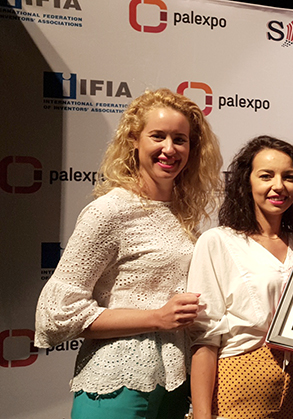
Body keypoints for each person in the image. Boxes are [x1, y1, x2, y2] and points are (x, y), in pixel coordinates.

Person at [34, 88, 223, 418]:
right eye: (158, 136)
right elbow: (56, 313)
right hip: (115, 386)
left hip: (174, 389)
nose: (169, 149)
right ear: (134, 140)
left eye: (180, 139)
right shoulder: (109, 211)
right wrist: (156, 317)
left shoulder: (183, 216)